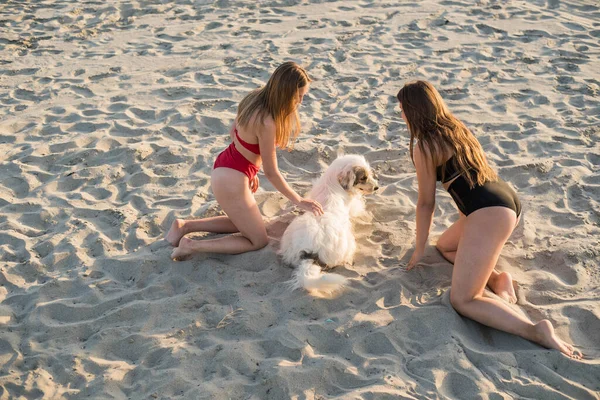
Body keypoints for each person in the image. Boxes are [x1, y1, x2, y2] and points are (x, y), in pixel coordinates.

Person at [397, 80, 581, 358]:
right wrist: (466, 227)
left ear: (413, 111)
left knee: (463, 299)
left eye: (401, 108)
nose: (400, 113)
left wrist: (419, 249)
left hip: (490, 214)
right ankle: (497, 280)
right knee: (446, 246)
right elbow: (468, 187)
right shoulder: (457, 129)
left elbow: (425, 204)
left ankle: (535, 330)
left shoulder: (425, 146)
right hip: (507, 202)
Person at [166, 62, 324, 258]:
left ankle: (184, 226)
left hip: (226, 165)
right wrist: (299, 200)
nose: (300, 101)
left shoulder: (254, 97)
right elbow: (272, 172)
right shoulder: (267, 122)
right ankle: (191, 246)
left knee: (247, 222)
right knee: (258, 240)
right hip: (232, 181)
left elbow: (234, 131)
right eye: (298, 96)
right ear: (284, 93)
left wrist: (249, 170)